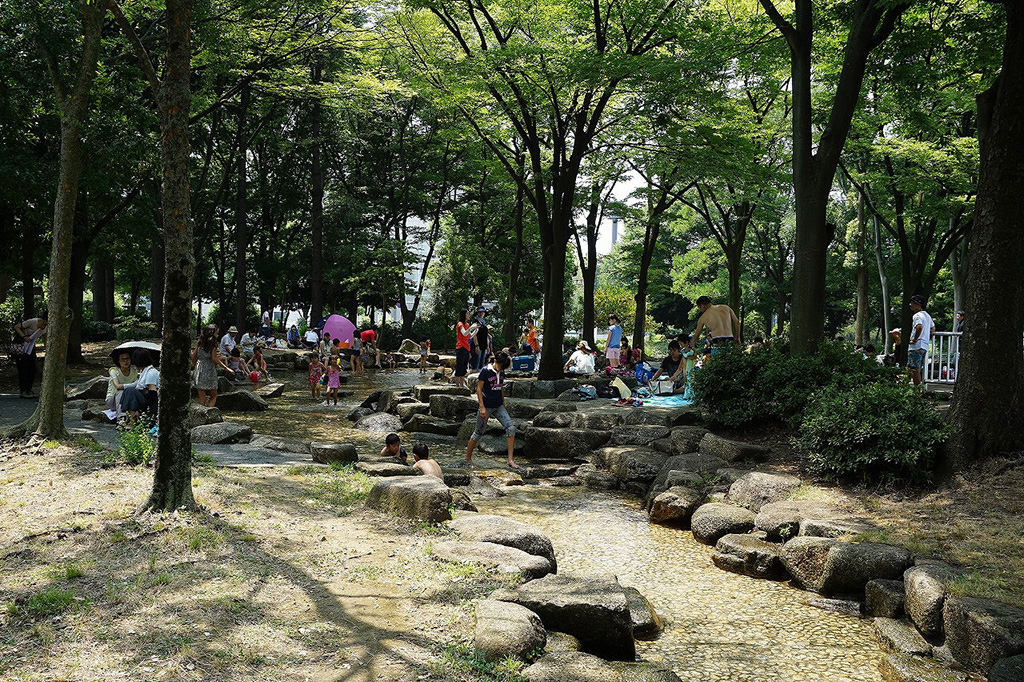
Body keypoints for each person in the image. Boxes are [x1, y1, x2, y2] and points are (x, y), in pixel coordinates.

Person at [464, 351, 518, 469]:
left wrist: (503, 403)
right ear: (495, 362)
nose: (500, 370)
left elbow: (501, 387)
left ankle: (510, 459)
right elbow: (478, 389)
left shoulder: (502, 371)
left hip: (498, 405)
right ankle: (467, 458)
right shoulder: (485, 371)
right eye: (500, 367)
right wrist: (482, 407)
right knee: (478, 432)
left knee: (511, 428)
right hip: (486, 405)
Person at [193, 324, 234, 407]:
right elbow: (214, 358)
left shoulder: (200, 342)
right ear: (212, 333)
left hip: (199, 369)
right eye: (217, 333)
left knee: (202, 398)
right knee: (213, 395)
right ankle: (209, 415)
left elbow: (193, 356)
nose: (218, 335)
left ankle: (200, 416)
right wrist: (226, 368)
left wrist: (195, 366)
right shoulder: (213, 343)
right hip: (209, 370)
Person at [12, 313, 47, 399]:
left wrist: (47, 349)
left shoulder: (46, 327)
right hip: (22, 344)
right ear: (41, 320)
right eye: (43, 323)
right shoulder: (32, 322)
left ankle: (29, 389)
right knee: (22, 367)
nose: (44, 325)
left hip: (31, 346)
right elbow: (16, 327)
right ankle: (23, 390)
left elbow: (46, 337)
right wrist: (24, 336)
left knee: (31, 367)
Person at [121, 348, 160, 424]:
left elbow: (153, 395)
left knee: (130, 391)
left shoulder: (151, 372)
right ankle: (130, 417)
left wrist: (140, 410)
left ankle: (132, 420)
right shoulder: (143, 371)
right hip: (143, 400)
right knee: (128, 391)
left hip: (151, 404)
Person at [907, 294, 935, 388]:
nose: (910, 304)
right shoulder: (927, 315)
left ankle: (917, 391)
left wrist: (914, 339)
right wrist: (926, 336)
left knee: (915, 369)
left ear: (918, 305)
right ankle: (905, 387)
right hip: (924, 345)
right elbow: (933, 328)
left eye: (912, 303)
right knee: (911, 367)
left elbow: (919, 327)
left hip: (916, 345)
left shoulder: (917, 316)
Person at [106, 350, 138, 419]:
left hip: (127, 398)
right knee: (120, 392)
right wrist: (133, 385)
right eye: (123, 359)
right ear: (118, 361)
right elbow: (117, 386)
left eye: (127, 358)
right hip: (113, 401)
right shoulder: (114, 371)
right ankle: (121, 418)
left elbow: (137, 385)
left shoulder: (134, 370)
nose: (125, 361)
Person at [453, 310, 479, 389]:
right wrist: (471, 327)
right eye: (467, 314)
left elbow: (470, 336)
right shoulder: (460, 324)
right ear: (463, 315)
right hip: (461, 347)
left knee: (464, 367)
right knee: (459, 366)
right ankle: (457, 386)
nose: (468, 315)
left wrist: (476, 329)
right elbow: (464, 333)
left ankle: (461, 386)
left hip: (467, 347)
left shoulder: (467, 324)